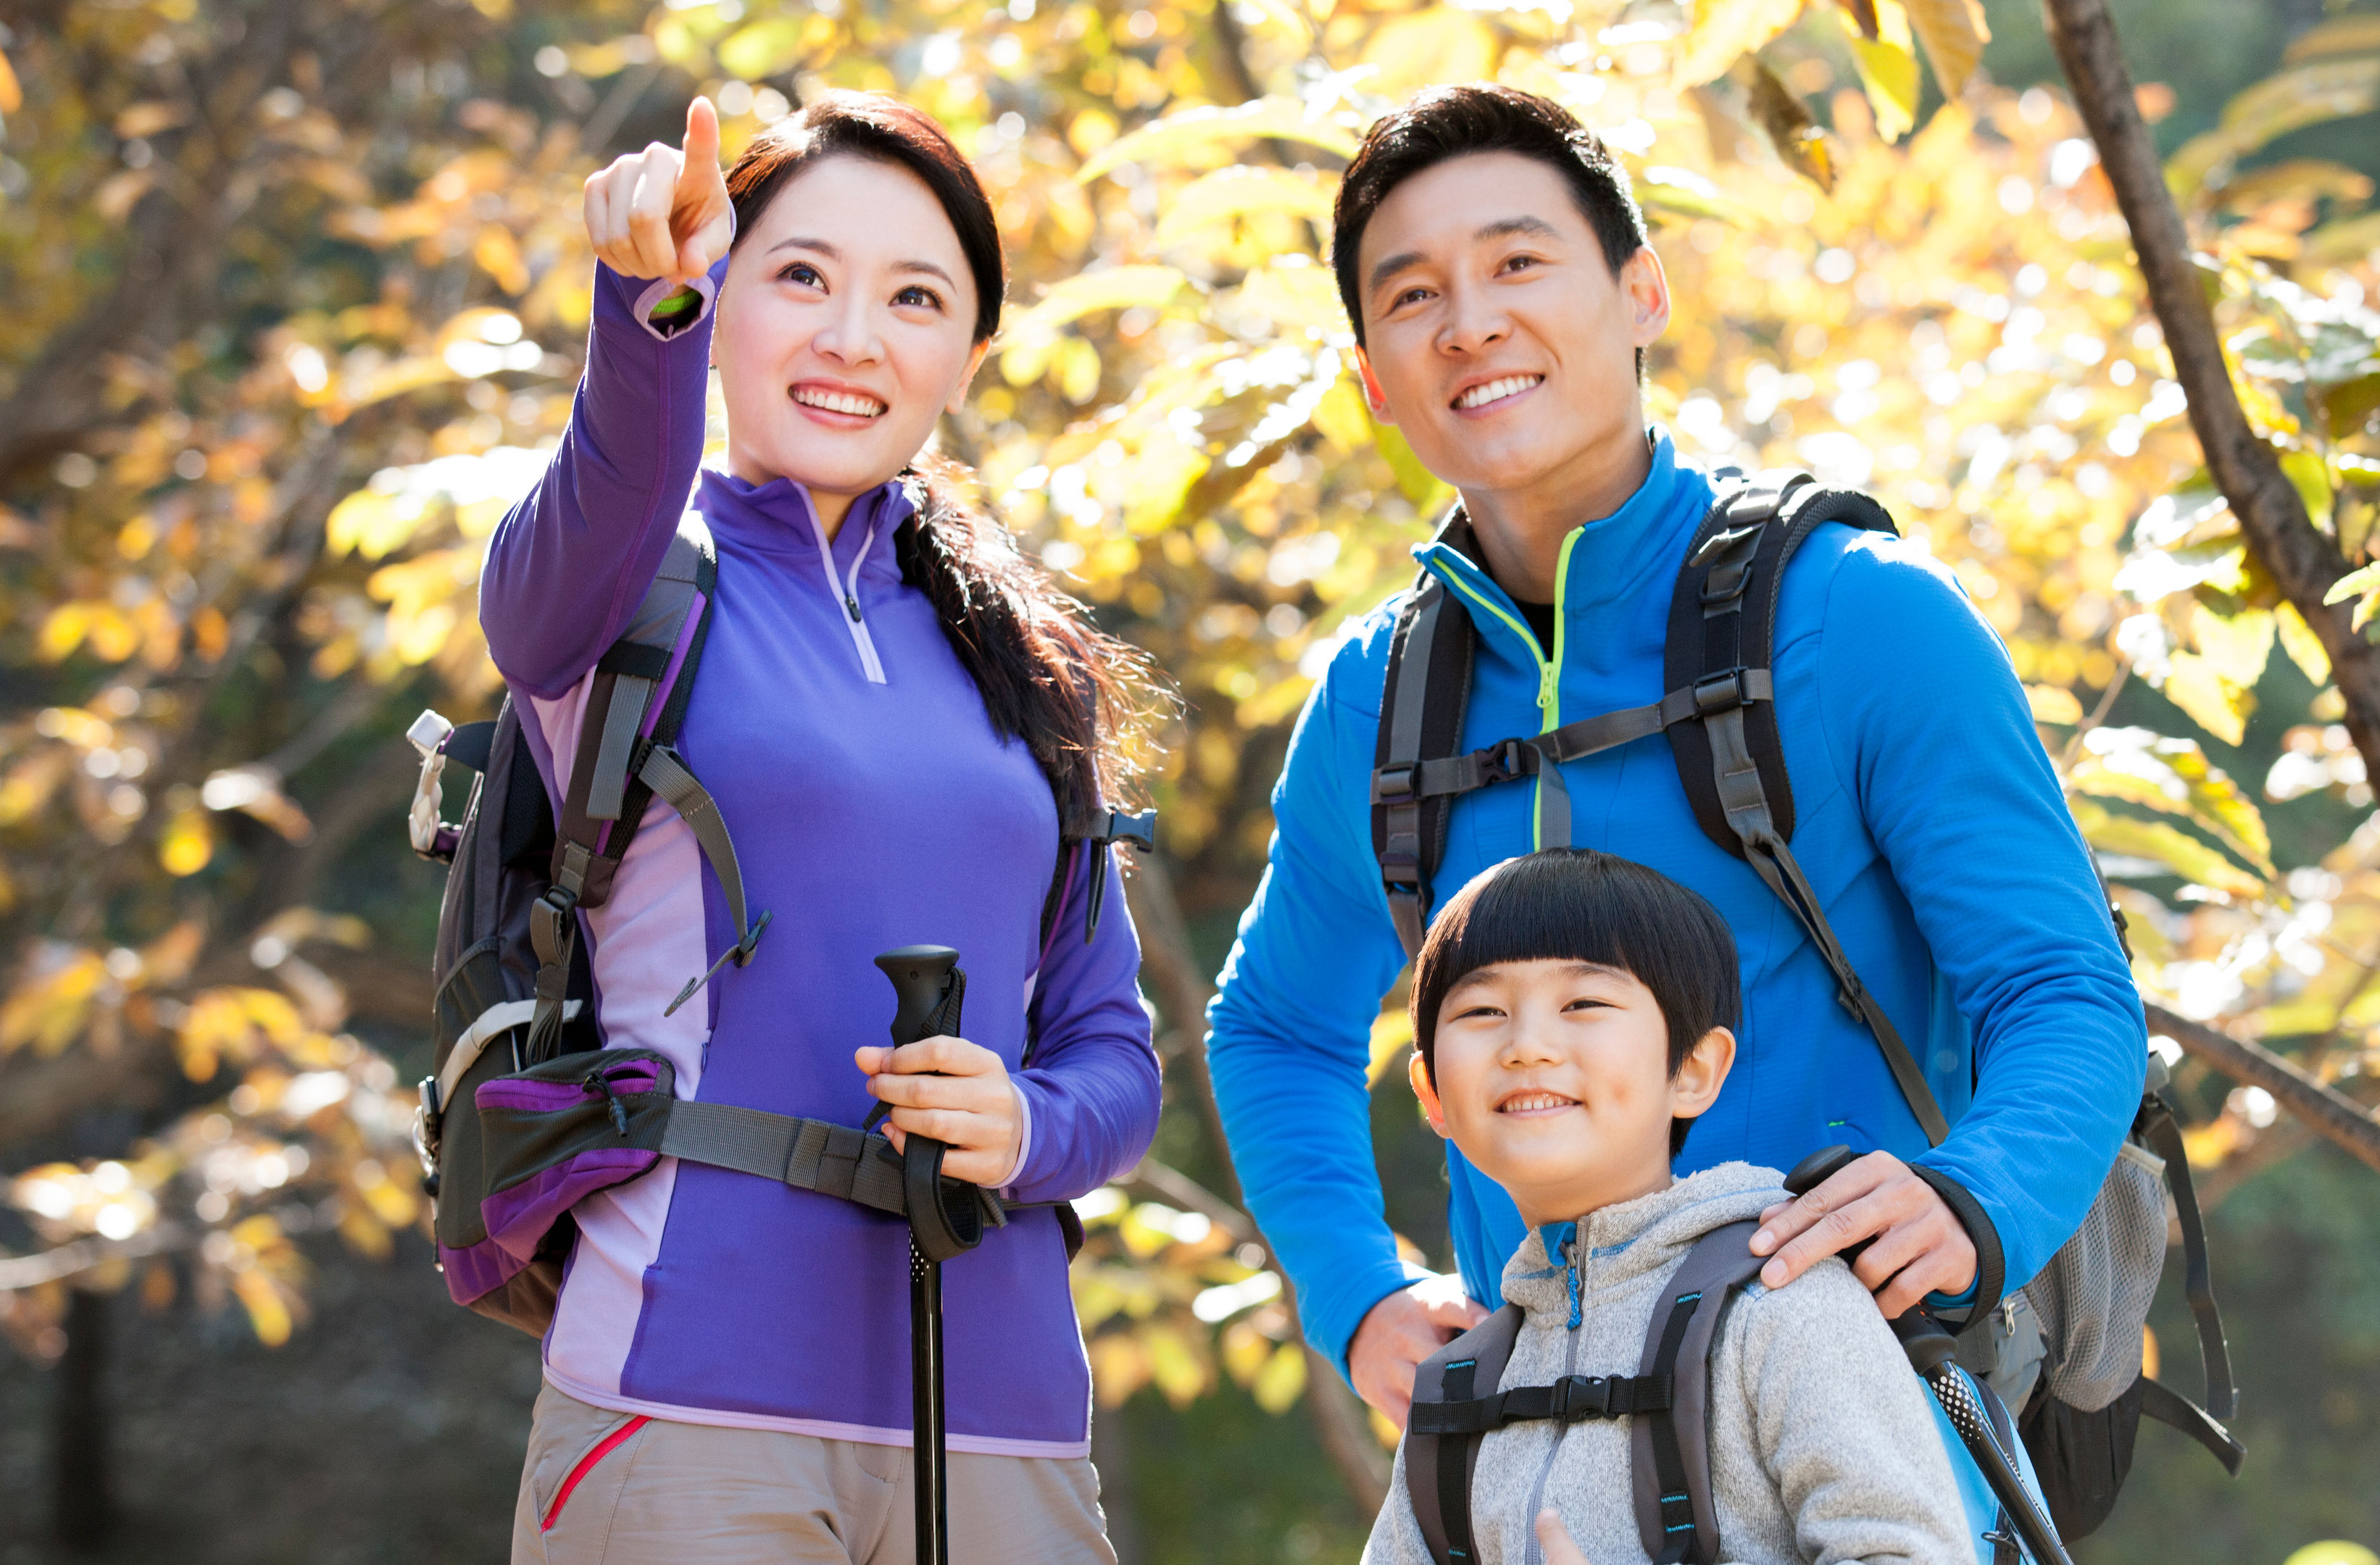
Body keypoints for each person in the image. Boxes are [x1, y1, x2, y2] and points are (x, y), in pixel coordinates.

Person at [1203, 83, 2147, 1427]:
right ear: (1372, 379)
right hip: (1534, 1456)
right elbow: (1275, 1028)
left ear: (1642, 292)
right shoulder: (1378, 697)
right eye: (1411, 296)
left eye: (1518, 263)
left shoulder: (1862, 616)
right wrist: (1356, 1294)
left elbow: (2062, 989)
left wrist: (1972, 1196)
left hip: (1866, 1434)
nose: (1470, 324)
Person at [483, 91, 1162, 1562]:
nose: (854, 336)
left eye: (916, 297)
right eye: (800, 276)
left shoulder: (1026, 665)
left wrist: (1024, 1122)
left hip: (1009, 1426)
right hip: (682, 1404)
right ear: (722, 300)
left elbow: (1116, 1057)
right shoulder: (621, 590)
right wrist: (644, 308)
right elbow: (598, 495)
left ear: (971, 355)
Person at [1363, 849, 1967, 1565]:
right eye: (1483, 1011)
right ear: (1432, 1092)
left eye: (1583, 1003)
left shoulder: (1781, 1303)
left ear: (1693, 1070)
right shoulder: (1458, 1390)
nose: (1527, 1045)